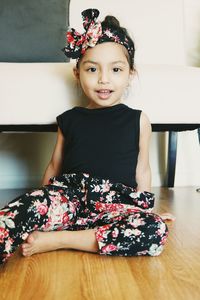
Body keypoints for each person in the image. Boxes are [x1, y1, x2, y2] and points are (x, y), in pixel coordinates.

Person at [0, 8, 169, 265]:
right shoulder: (70, 119)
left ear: (130, 74)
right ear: (77, 73)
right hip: (70, 198)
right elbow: (55, 165)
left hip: (115, 205)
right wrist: (44, 202)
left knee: (154, 229)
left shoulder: (139, 120)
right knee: (26, 205)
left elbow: (142, 171)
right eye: (92, 70)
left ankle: (59, 240)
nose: (103, 79)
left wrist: (142, 209)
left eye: (115, 70)